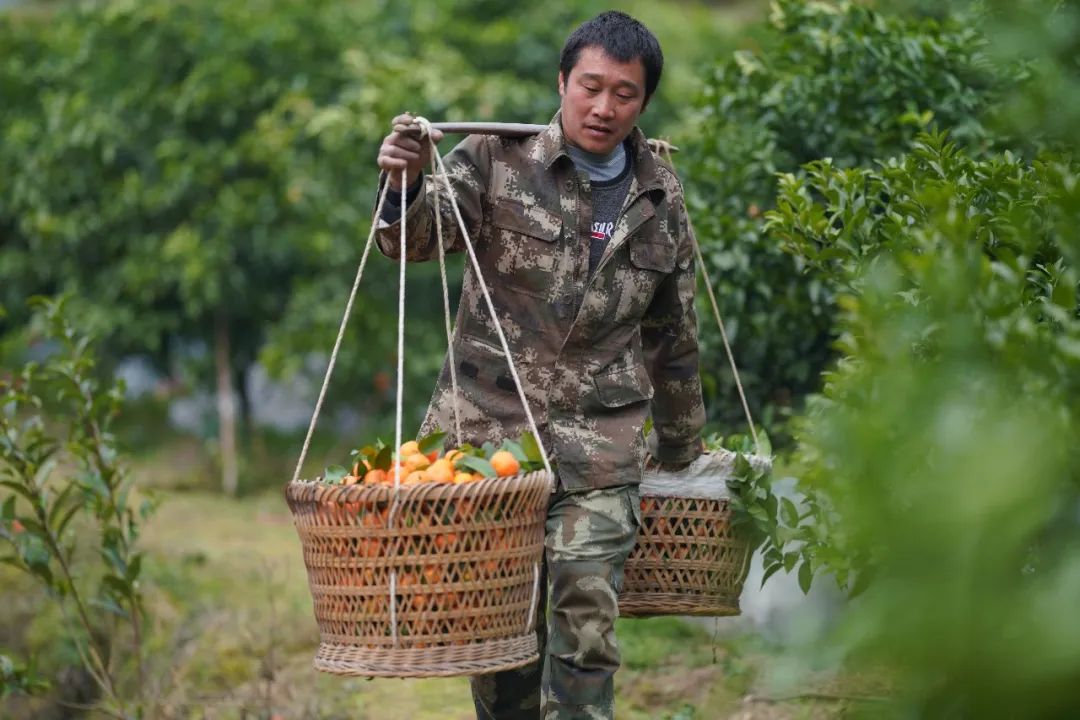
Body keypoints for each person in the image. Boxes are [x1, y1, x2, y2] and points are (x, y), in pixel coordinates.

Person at [374, 10, 705, 719]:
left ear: (644, 102)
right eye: (590, 87)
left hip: (599, 447)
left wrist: (685, 451)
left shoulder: (660, 194)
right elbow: (414, 241)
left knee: (587, 629)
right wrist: (403, 185)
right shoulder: (492, 160)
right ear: (562, 82)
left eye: (624, 93)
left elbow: (673, 333)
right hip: (486, 446)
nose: (603, 107)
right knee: (504, 647)